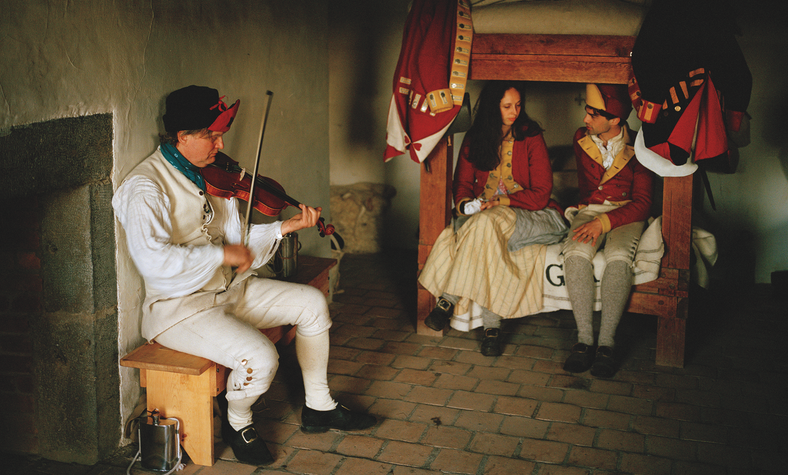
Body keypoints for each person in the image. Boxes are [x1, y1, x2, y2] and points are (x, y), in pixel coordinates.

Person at [112, 85, 376, 466]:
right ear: (182, 137)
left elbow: (236, 242)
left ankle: (318, 405)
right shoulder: (145, 186)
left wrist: (283, 229)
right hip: (181, 309)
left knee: (312, 304)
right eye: (210, 135)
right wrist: (221, 253)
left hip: (231, 290)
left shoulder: (214, 175)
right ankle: (239, 422)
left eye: (220, 134)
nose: (220, 144)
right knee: (261, 358)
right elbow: (153, 259)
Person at [419, 81, 568, 356]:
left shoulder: (530, 136)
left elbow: (541, 194)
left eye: (518, 105)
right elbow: (461, 185)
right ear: (492, 107)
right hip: (484, 219)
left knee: (486, 225)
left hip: (531, 216)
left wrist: (501, 201)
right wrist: (466, 204)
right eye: (507, 106)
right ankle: (492, 330)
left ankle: (447, 300)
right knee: (486, 234)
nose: (515, 112)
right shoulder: (475, 138)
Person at [561, 83, 654, 378]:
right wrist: (591, 217)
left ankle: (607, 344)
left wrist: (603, 224)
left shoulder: (641, 146)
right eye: (586, 113)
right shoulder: (581, 138)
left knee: (617, 258)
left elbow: (643, 204)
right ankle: (584, 340)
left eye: (592, 114)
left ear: (615, 119)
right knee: (575, 254)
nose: (585, 120)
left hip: (625, 213)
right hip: (589, 209)